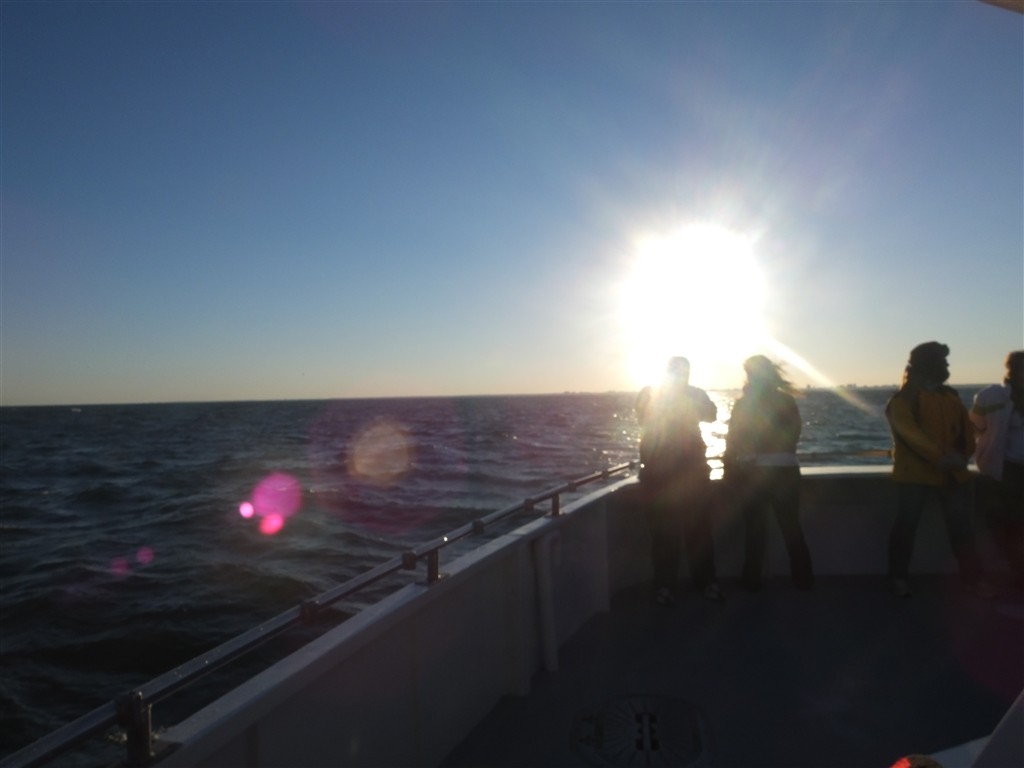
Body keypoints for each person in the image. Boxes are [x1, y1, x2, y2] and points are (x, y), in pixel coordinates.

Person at [885, 342, 993, 598]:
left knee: (961, 528)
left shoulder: (950, 397)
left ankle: (973, 580)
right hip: (915, 476)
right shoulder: (902, 400)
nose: (947, 366)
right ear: (928, 364)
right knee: (906, 527)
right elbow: (910, 435)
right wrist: (941, 459)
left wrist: (963, 455)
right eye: (942, 361)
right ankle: (897, 579)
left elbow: (966, 431)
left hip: (952, 474)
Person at [636, 356, 723, 603]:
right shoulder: (649, 393)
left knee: (698, 531)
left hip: (690, 475)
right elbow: (643, 417)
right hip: (659, 476)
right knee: (665, 533)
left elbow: (712, 415)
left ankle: (704, 582)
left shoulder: (694, 394)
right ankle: (666, 586)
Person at [724, 355, 814, 591]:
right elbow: (793, 433)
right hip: (786, 470)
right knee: (790, 526)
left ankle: (751, 580)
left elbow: (734, 438)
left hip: (753, 473)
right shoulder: (786, 400)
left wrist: (732, 465)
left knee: (755, 529)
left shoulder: (744, 403)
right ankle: (804, 579)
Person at [970, 350, 1024, 591]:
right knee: (1010, 523)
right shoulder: (991, 396)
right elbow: (976, 426)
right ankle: (1018, 572)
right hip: (1005, 471)